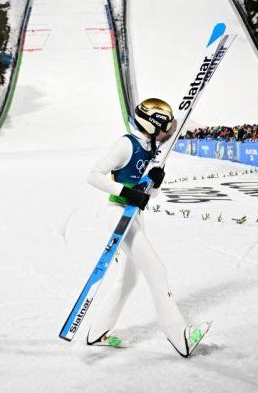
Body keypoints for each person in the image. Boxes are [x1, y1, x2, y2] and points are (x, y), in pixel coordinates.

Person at [85, 98, 210, 357]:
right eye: (165, 126)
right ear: (151, 125)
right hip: (119, 214)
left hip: (133, 216)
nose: (168, 131)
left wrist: (155, 183)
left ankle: (98, 332)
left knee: (128, 280)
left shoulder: (151, 149)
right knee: (156, 271)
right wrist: (126, 192)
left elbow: (147, 195)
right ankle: (179, 336)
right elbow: (93, 175)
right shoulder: (125, 144)